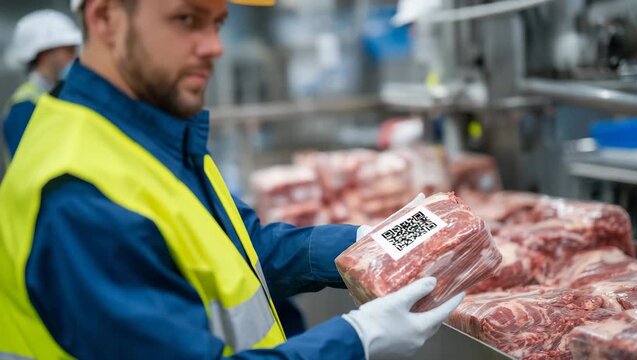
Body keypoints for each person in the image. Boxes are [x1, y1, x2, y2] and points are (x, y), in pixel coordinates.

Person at [0, 0, 464, 359]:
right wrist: (357, 338)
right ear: (105, 19)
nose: (214, 46)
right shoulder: (79, 197)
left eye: (217, 22)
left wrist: (371, 243)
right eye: (186, 19)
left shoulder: (144, 132)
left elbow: (243, 247)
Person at [2, 9, 81, 157]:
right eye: (69, 50)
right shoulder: (24, 106)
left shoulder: (58, 94)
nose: (75, 56)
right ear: (45, 53)